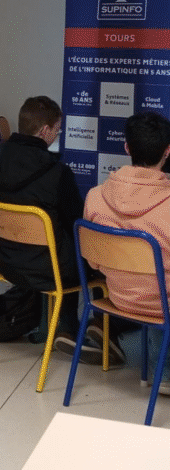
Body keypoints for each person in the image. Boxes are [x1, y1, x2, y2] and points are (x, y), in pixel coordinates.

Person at [0, 95, 122, 364]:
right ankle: (102, 325)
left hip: (4, 264)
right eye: (57, 129)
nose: (57, 135)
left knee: (62, 246)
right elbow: (78, 225)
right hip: (48, 269)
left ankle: (65, 328)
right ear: (44, 131)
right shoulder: (57, 174)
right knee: (90, 252)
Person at [84, 111, 170, 388]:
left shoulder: (94, 197)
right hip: (163, 303)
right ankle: (164, 371)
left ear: (126, 148)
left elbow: (93, 262)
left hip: (119, 299)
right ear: (167, 151)